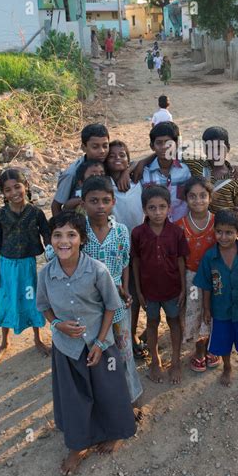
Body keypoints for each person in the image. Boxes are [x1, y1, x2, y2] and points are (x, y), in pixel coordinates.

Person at [36, 211, 136, 476]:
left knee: (109, 391)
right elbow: (44, 307)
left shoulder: (97, 270)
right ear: (50, 241)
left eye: (71, 235)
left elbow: (111, 307)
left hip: (99, 345)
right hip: (66, 349)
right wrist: (57, 324)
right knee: (74, 397)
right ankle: (77, 445)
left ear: (82, 239)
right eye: (57, 235)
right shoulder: (46, 274)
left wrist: (100, 343)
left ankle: (115, 433)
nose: (64, 241)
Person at [81, 176, 143, 418]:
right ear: (83, 203)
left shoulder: (120, 230)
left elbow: (125, 262)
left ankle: (131, 398)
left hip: (117, 302)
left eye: (106, 201)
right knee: (96, 353)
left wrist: (126, 289)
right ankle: (102, 405)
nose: (100, 206)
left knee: (124, 351)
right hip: (90, 306)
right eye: (93, 201)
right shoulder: (79, 232)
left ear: (113, 202)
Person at [0, 168, 51, 363]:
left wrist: (54, 258)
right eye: (8, 190)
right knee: (6, 301)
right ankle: (5, 342)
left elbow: (47, 236)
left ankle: (37, 339)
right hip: (6, 267)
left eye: (17, 187)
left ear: (26, 186)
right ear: (3, 194)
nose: (14, 193)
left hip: (28, 266)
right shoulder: (0, 215)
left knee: (31, 300)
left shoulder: (36, 213)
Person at [131, 186, 189, 384]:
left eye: (162, 207)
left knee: (174, 322)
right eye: (152, 208)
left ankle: (175, 362)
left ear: (169, 208)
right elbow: (136, 262)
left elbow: (181, 260)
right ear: (144, 210)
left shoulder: (176, 232)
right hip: (149, 291)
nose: (157, 212)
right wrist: (138, 291)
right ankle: (155, 361)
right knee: (152, 323)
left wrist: (182, 288)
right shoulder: (138, 233)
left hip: (172, 289)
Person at [194, 209, 238, 387]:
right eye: (219, 231)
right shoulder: (210, 257)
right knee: (224, 342)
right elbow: (206, 285)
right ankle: (227, 367)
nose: (223, 236)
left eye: (229, 232)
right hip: (220, 310)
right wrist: (206, 308)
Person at [104, 140, 146, 359]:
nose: (118, 158)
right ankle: (125, 336)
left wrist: (129, 170)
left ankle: (136, 334)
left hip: (142, 247)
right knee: (124, 293)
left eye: (123, 155)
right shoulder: (106, 186)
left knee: (139, 293)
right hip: (119, 251)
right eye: (112, 156)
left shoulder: (138, 180)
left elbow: (149, 157)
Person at [175, 177, 219, 372]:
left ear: (210, 197)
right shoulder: (179, 225)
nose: (198, 200)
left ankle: (212, 347)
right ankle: (199, 350)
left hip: (215, 277)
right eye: (192, 196)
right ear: (185, 199)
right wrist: (182, 286)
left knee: (212, 313)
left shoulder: (218, 222)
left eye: (203, 196)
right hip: (191, 277)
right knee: (195, 313)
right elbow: (178, 258)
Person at [185, 126, 238, 243]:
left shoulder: (235, 180)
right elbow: (168, 155)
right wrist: (144, 162)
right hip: (199, 234)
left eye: (219, 147)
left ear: (228, 148)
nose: (214, 153)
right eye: (210, 148)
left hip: (224, 237)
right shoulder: (197, 165)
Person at [51, 124, 110, 217]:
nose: (102, 151)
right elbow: (56, 206)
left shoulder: (110, 161)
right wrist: (60, 227)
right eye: (95, 147)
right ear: (84, 147)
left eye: (105, 146)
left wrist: (126, 172)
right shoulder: (71, 174)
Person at [142, 122, 191, 222]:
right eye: (159, 143)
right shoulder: (144, 173)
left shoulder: (186, 170)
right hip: (156, 228)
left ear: (176, 144)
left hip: (181, 225)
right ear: (152, 146)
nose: (164, 147)